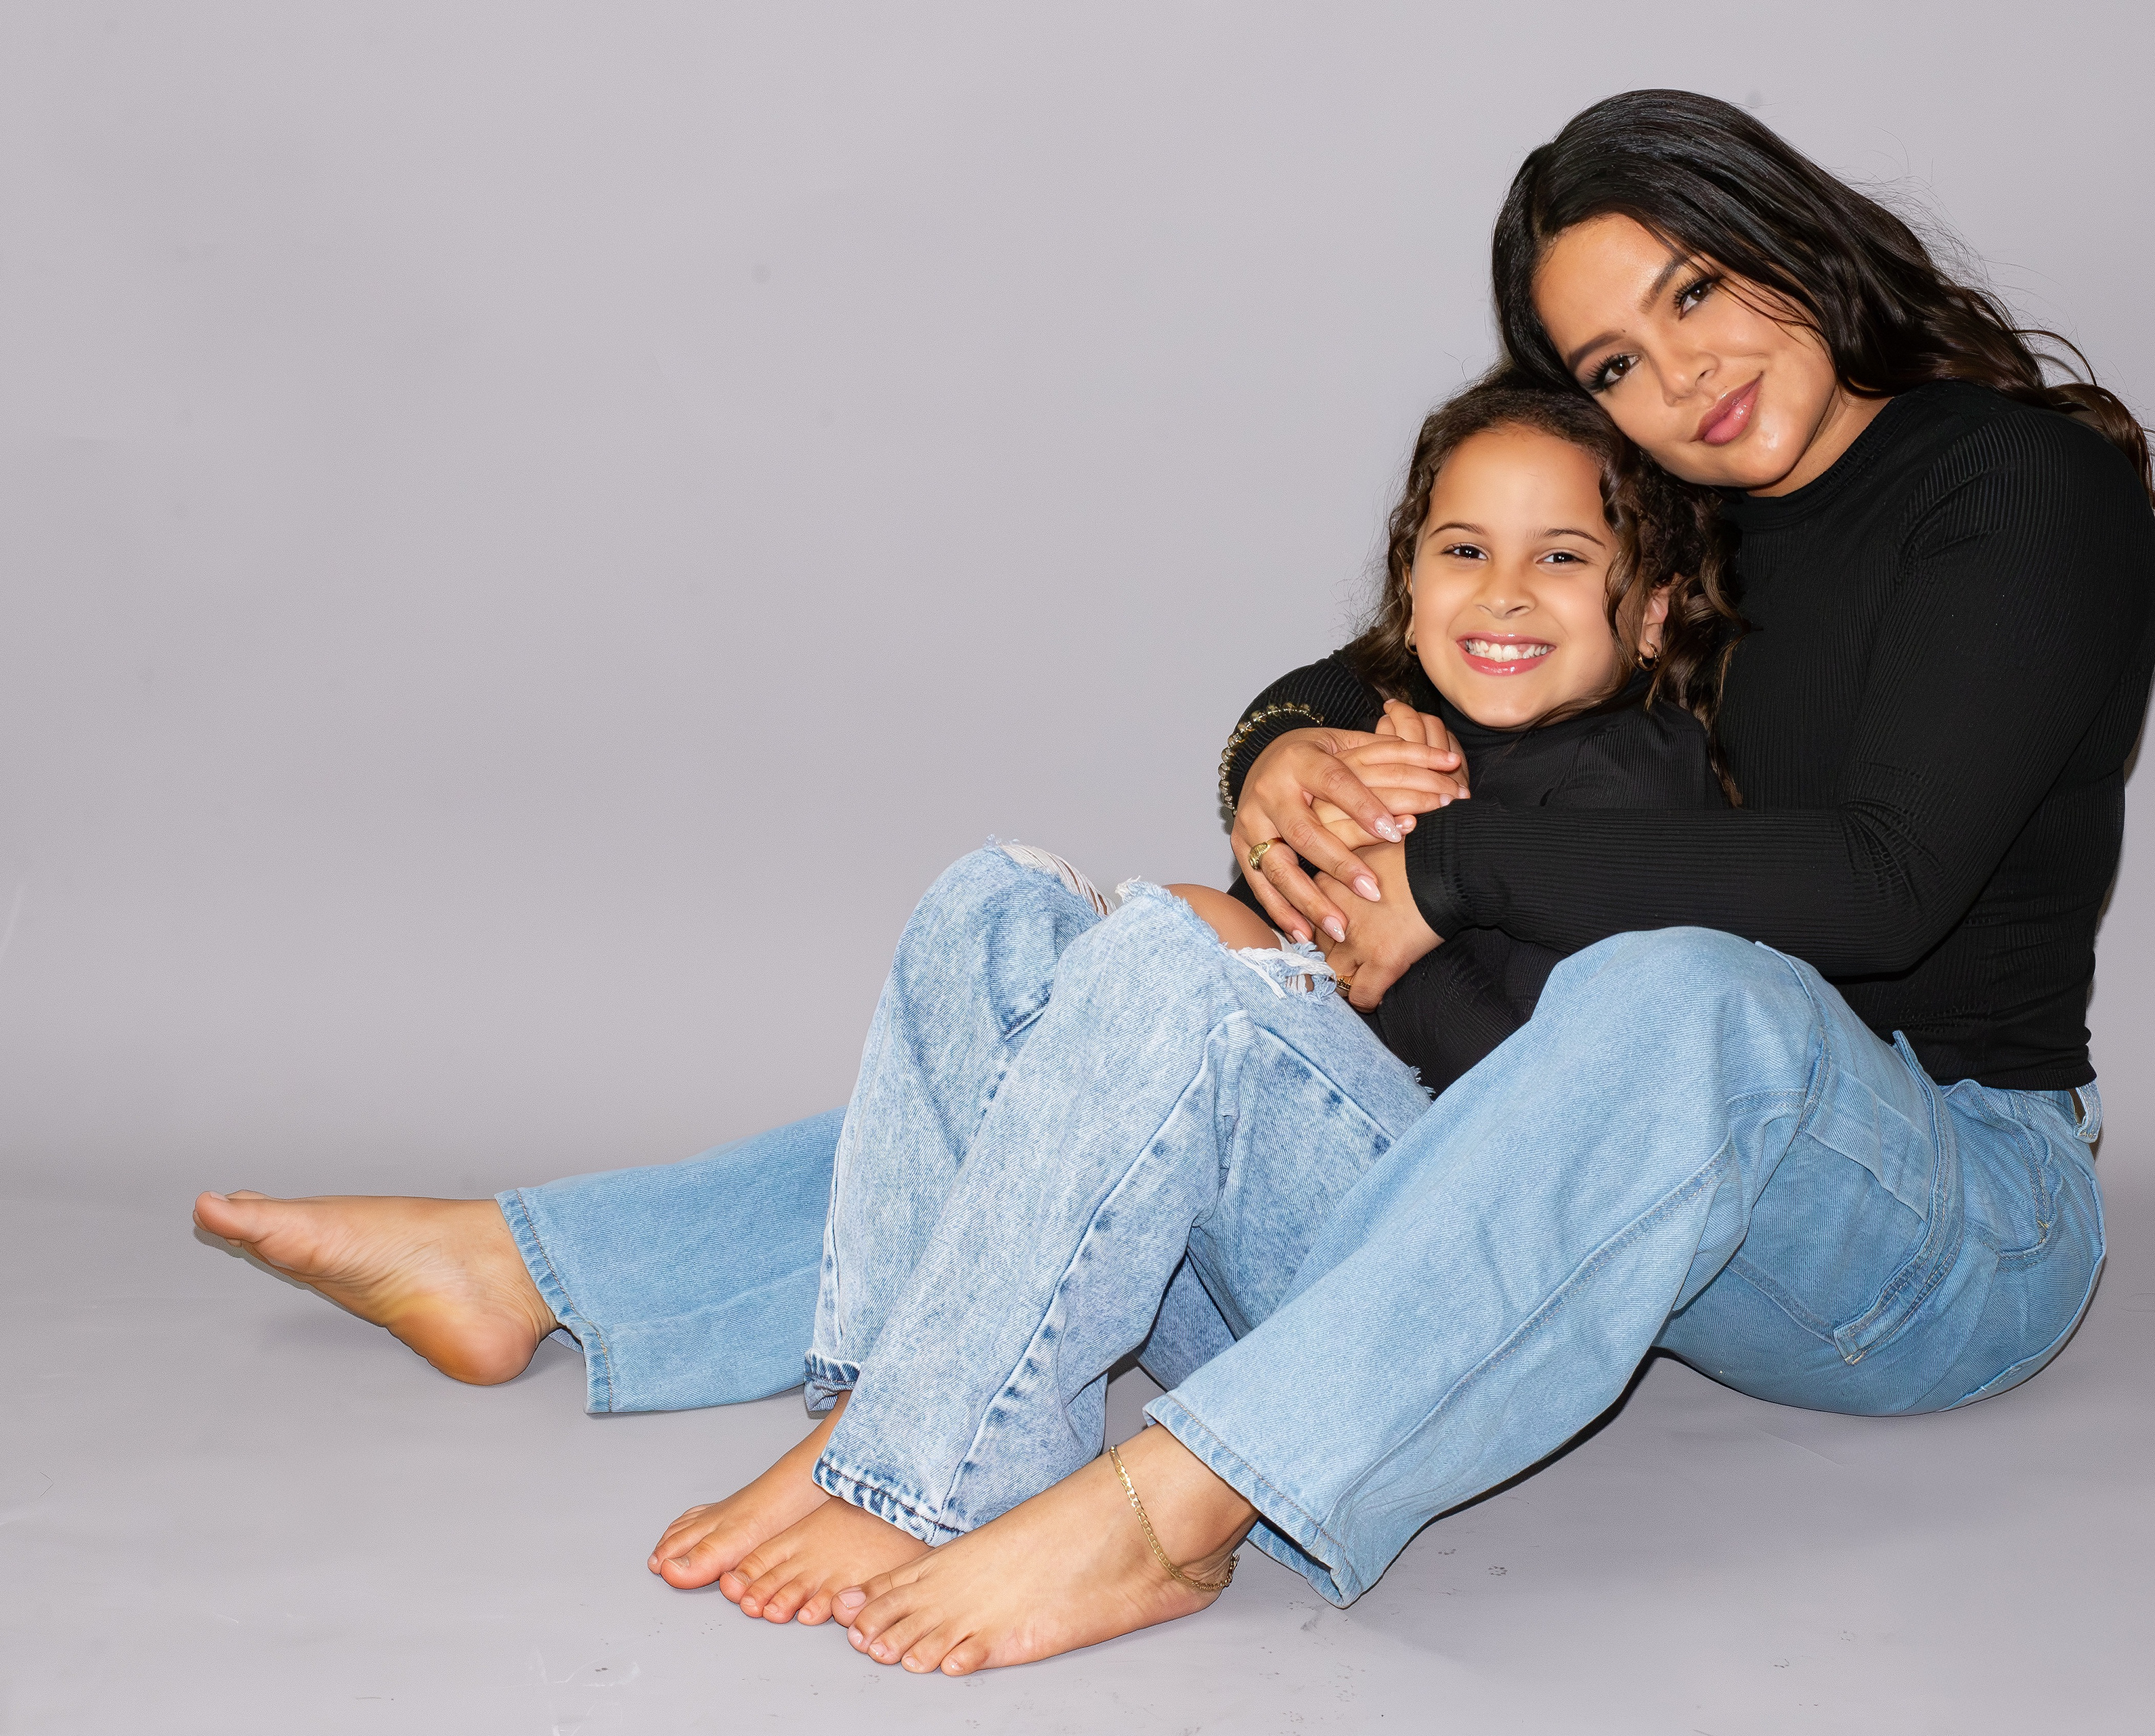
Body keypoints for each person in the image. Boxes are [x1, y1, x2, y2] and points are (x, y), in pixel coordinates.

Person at [818, 86, 2155, 1674]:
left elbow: (1886, 883)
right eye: (1614, 365)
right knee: (1075, 960)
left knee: (1681, 986)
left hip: (1941, 1218)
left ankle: (1172, 1508)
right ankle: (864, 1410)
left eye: (1695, 291)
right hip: (1615, 1180)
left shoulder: (2018, 485)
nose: (1680, 378)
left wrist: (1453, 863)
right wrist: (1282, 752)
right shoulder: (1682, 508)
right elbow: (1424, 629)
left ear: (1795, 239)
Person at [192, 376, 1735, 1618]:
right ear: (1405, 580)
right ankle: (880, 1398)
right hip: (1229, 1258)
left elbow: (1574, 1117)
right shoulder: (1391, 742)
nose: (1504, 591)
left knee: (1169, 949)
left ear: (1654, 610)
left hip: (1409, 1279)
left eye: (1562, 557)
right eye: (1463, 550)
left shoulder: (1633, 788)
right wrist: (1317, 827)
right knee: (999, 901)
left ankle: (937, 1468)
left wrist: (1392, 931)